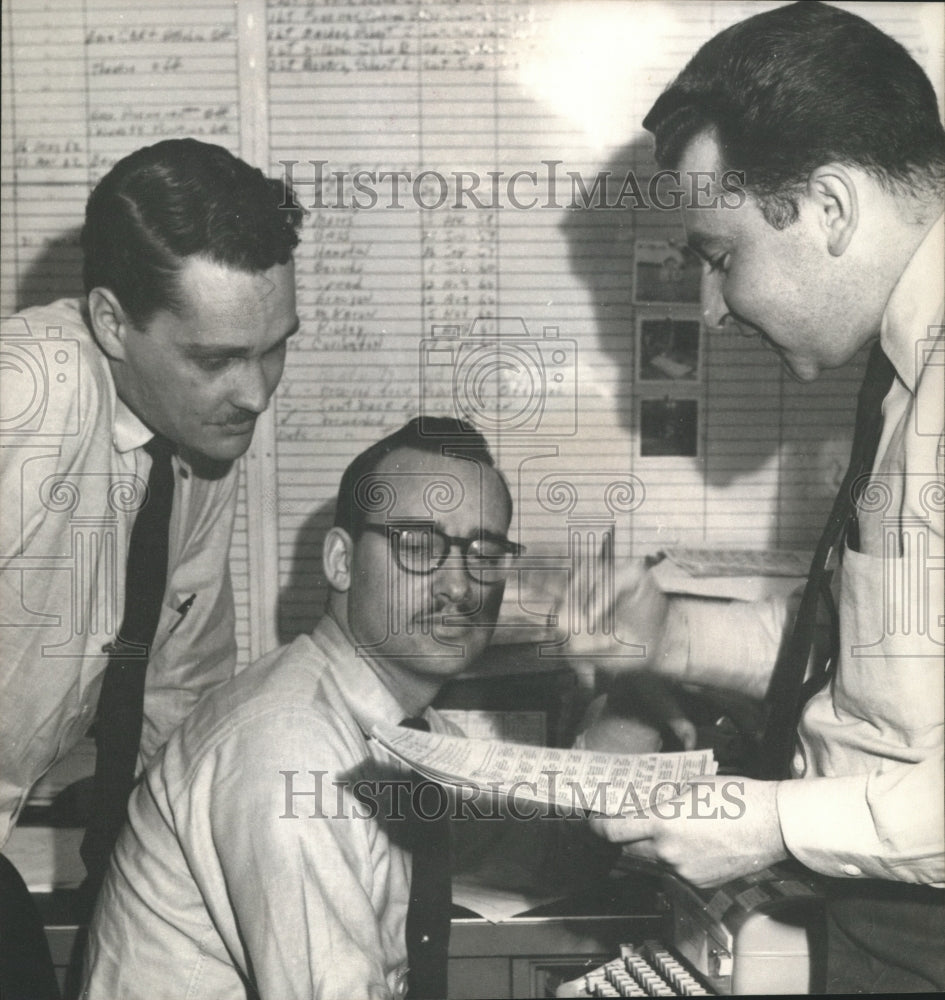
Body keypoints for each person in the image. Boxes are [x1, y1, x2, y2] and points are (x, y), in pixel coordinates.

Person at [577, 2, 944, 992]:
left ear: (829, 208)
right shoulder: (904, 368)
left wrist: (769, 822)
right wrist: (669, 639)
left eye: (720, 256)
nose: (713, 307)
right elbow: (890, 654)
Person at [81, 416, 525, 999]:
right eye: (419, 546)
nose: (461, 586)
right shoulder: (292, 743)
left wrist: (631, 710)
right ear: (340, 562)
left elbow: (535, 858)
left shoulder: (409, 731)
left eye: (485, 553)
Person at [0, 137, 302, 922]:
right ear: (110, 321)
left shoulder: (194, 445)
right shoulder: (32, 392)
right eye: (216, 358)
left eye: (275, 350)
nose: (255, 394)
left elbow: (178, 690)